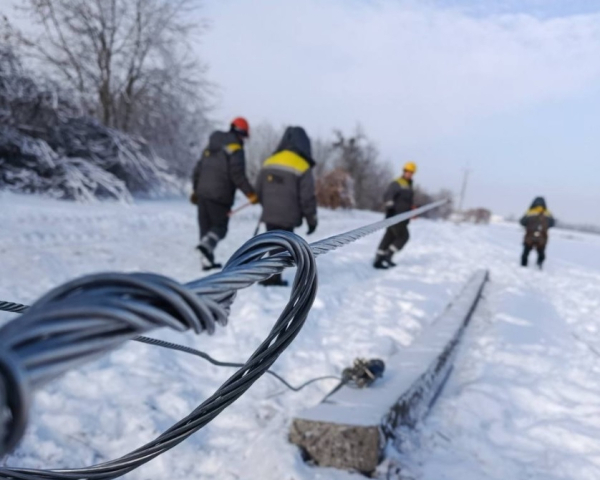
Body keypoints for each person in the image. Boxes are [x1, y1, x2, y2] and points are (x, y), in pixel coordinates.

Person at [191, 117, 258, 270]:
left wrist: (196, 190)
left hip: (202, 194)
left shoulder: (210, 147)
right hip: (220, 195)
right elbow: (237, 175)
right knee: (220, 227)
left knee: (206, 229)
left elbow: (198, 169)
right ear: (241, 133)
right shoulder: (235, 149)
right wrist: (251, 194)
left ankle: (206, 261)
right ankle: (206, 249)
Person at [255, 126, 318, 286]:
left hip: (270, 213)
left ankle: (272, 274)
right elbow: (307, 198)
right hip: (289, 215)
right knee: (283, 245)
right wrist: (311, 220)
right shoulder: (302, 165)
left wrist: (267, 205)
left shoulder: (270, 161)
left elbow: (258, 190)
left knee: (273, 242)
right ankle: (274, 277)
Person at [373, 162, 417, 269]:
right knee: (403, 236)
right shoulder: (397, 183)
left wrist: (412, 209)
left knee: (389, 237)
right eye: (407, 171)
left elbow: (406, 201)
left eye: (411, 172)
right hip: (395, 216)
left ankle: (379, 259)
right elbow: (388, 196)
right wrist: (391, 209)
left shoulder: (409, 185)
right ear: (404, 171)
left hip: (403, 217)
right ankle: (388, 256)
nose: (409, 174)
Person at [520, 196, 555, 269]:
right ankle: (539, 265)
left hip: (529, 235)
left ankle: (523, 265)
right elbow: (552, 223)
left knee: (526, 251)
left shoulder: (530, 212)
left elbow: (522, 222)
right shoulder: (547, 213)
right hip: (542, 237)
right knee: (541, 252)